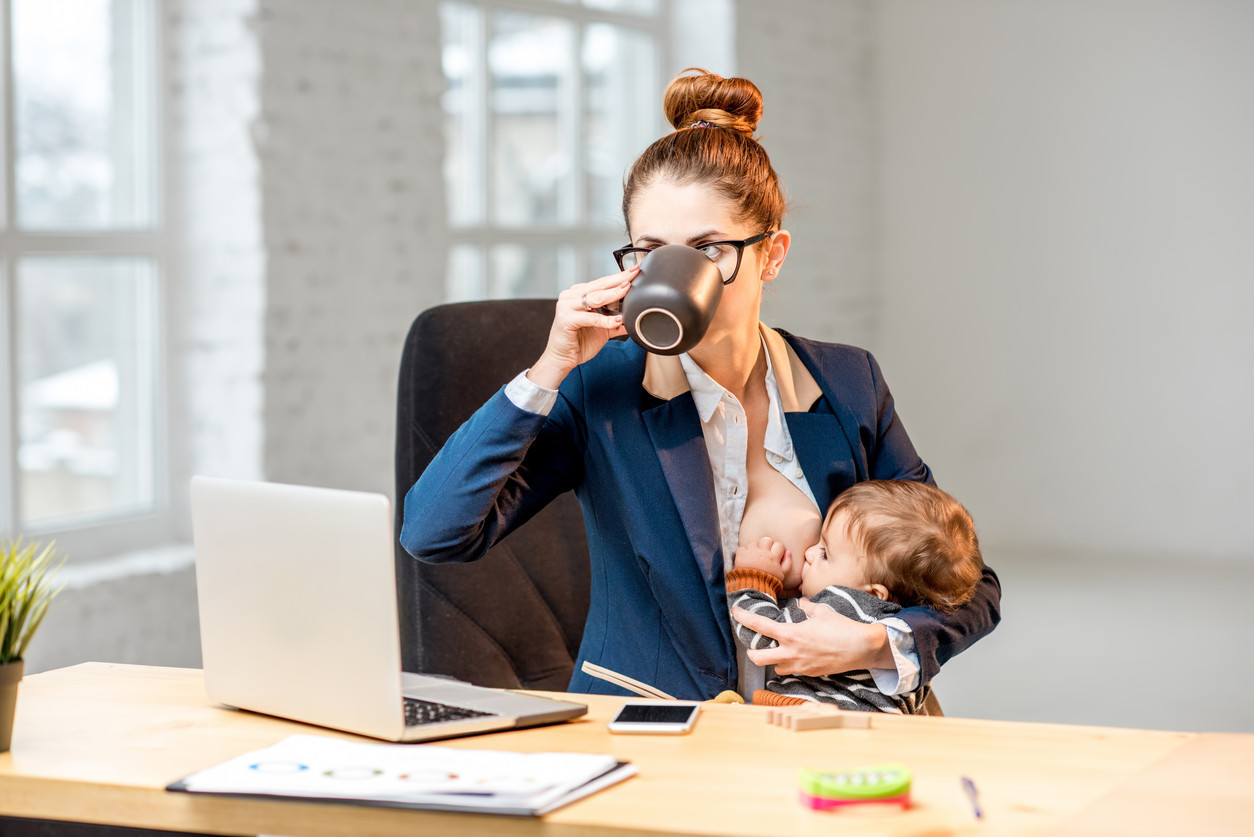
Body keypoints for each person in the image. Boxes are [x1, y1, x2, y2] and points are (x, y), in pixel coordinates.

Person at [401, 68, 1001, 702]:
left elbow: (969, 586)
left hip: (827, 727)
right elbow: (436, 534)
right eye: (652, 249)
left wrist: (877, 643)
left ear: (771, 254)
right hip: (654, 726)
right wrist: (548, 368)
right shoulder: (599, 392)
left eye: (708, 247)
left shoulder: (848, 383)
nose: (677, 272)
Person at [728, 480, 983, 712]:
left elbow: (764, 633)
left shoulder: (844, 604)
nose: (809, 553)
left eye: (825, 554)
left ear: (872, 592)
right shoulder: (892, 613)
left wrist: (755, 578)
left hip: (813, 720)